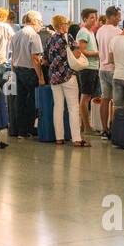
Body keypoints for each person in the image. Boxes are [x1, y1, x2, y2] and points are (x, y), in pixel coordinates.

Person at [43, 14, 87, 147]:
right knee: (73, 107)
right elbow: (77, 53)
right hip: (68, 76)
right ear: (62, 25)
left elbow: (45, 60)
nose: (68, 26)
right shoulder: (67, 37)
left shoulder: (49, 39)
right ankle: (76, 139)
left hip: (54, 77)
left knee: (58, 107)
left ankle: (59, 138)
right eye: (66, 24)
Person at [7, 11, 45, 138]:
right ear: (34, 21)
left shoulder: (16, 34)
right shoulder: (34, 35)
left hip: (17, 70)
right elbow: (35, 58)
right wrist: (40, 77)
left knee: (20, 101)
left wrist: (13, 71)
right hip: (29, 71)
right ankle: (30, 128)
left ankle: (20, 131)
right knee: (33, 101)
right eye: (40, 22)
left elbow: (12, 57)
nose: (41, 25)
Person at [95, 6, 122, 137]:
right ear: (111, 16)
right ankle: (116, 128)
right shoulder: (117, 31)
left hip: (102, 69)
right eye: (118, 16)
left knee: (105, 99)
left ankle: (104, 129)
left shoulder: (99, 30)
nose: (120, 19)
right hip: (114, 69)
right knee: (117, 102)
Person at [73, 8, 101, 136]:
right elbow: (82, 51)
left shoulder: (90, 32)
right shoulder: (83, 32)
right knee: (85, 97)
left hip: (93, 67)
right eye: (91, 18)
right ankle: (86, 127)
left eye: (95, 17)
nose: (94, 20)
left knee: (87, 97)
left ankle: (84, 126)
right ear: (84, 19)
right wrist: (98, 54)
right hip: (87, 69)